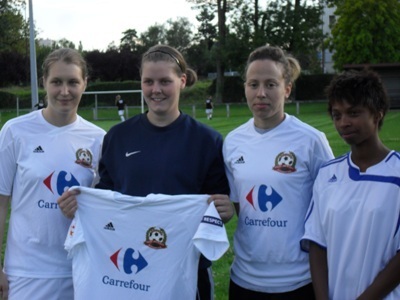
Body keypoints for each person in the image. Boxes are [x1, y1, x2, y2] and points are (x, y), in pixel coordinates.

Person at [58, 44, 234, 300]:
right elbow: (104, 200)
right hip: (128, 273)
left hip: (185, 272)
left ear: (182, 81)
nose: (156, 90)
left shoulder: (207, 141)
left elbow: (218, 208)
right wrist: (80, 206)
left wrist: (225, 211)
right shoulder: (118, 137)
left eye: (165, 81)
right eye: (148, 81)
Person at [223, 45, 334, 299]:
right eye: (253, 84)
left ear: (287, 89)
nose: (261, 93)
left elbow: (331, 207)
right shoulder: (233, 141)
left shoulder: (311, 140)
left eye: (271, 84)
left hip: (298, 281)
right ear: (245, 88)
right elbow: (240, 206)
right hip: (244, 279)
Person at [0, 48, 106, 300]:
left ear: (85, 84)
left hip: (82, 269)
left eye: (73, 82)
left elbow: (105, 209)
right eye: (56, 82)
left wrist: (86, 203)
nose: (64, 91)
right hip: (26, 272)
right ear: (43, 83)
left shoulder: (99, 139)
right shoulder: (15, 132)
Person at [301, 69, 400, 299]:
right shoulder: (327, 174)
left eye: (353, 113)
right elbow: (317, 243)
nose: (344, 122)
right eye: (337, 115)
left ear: (377, 114)